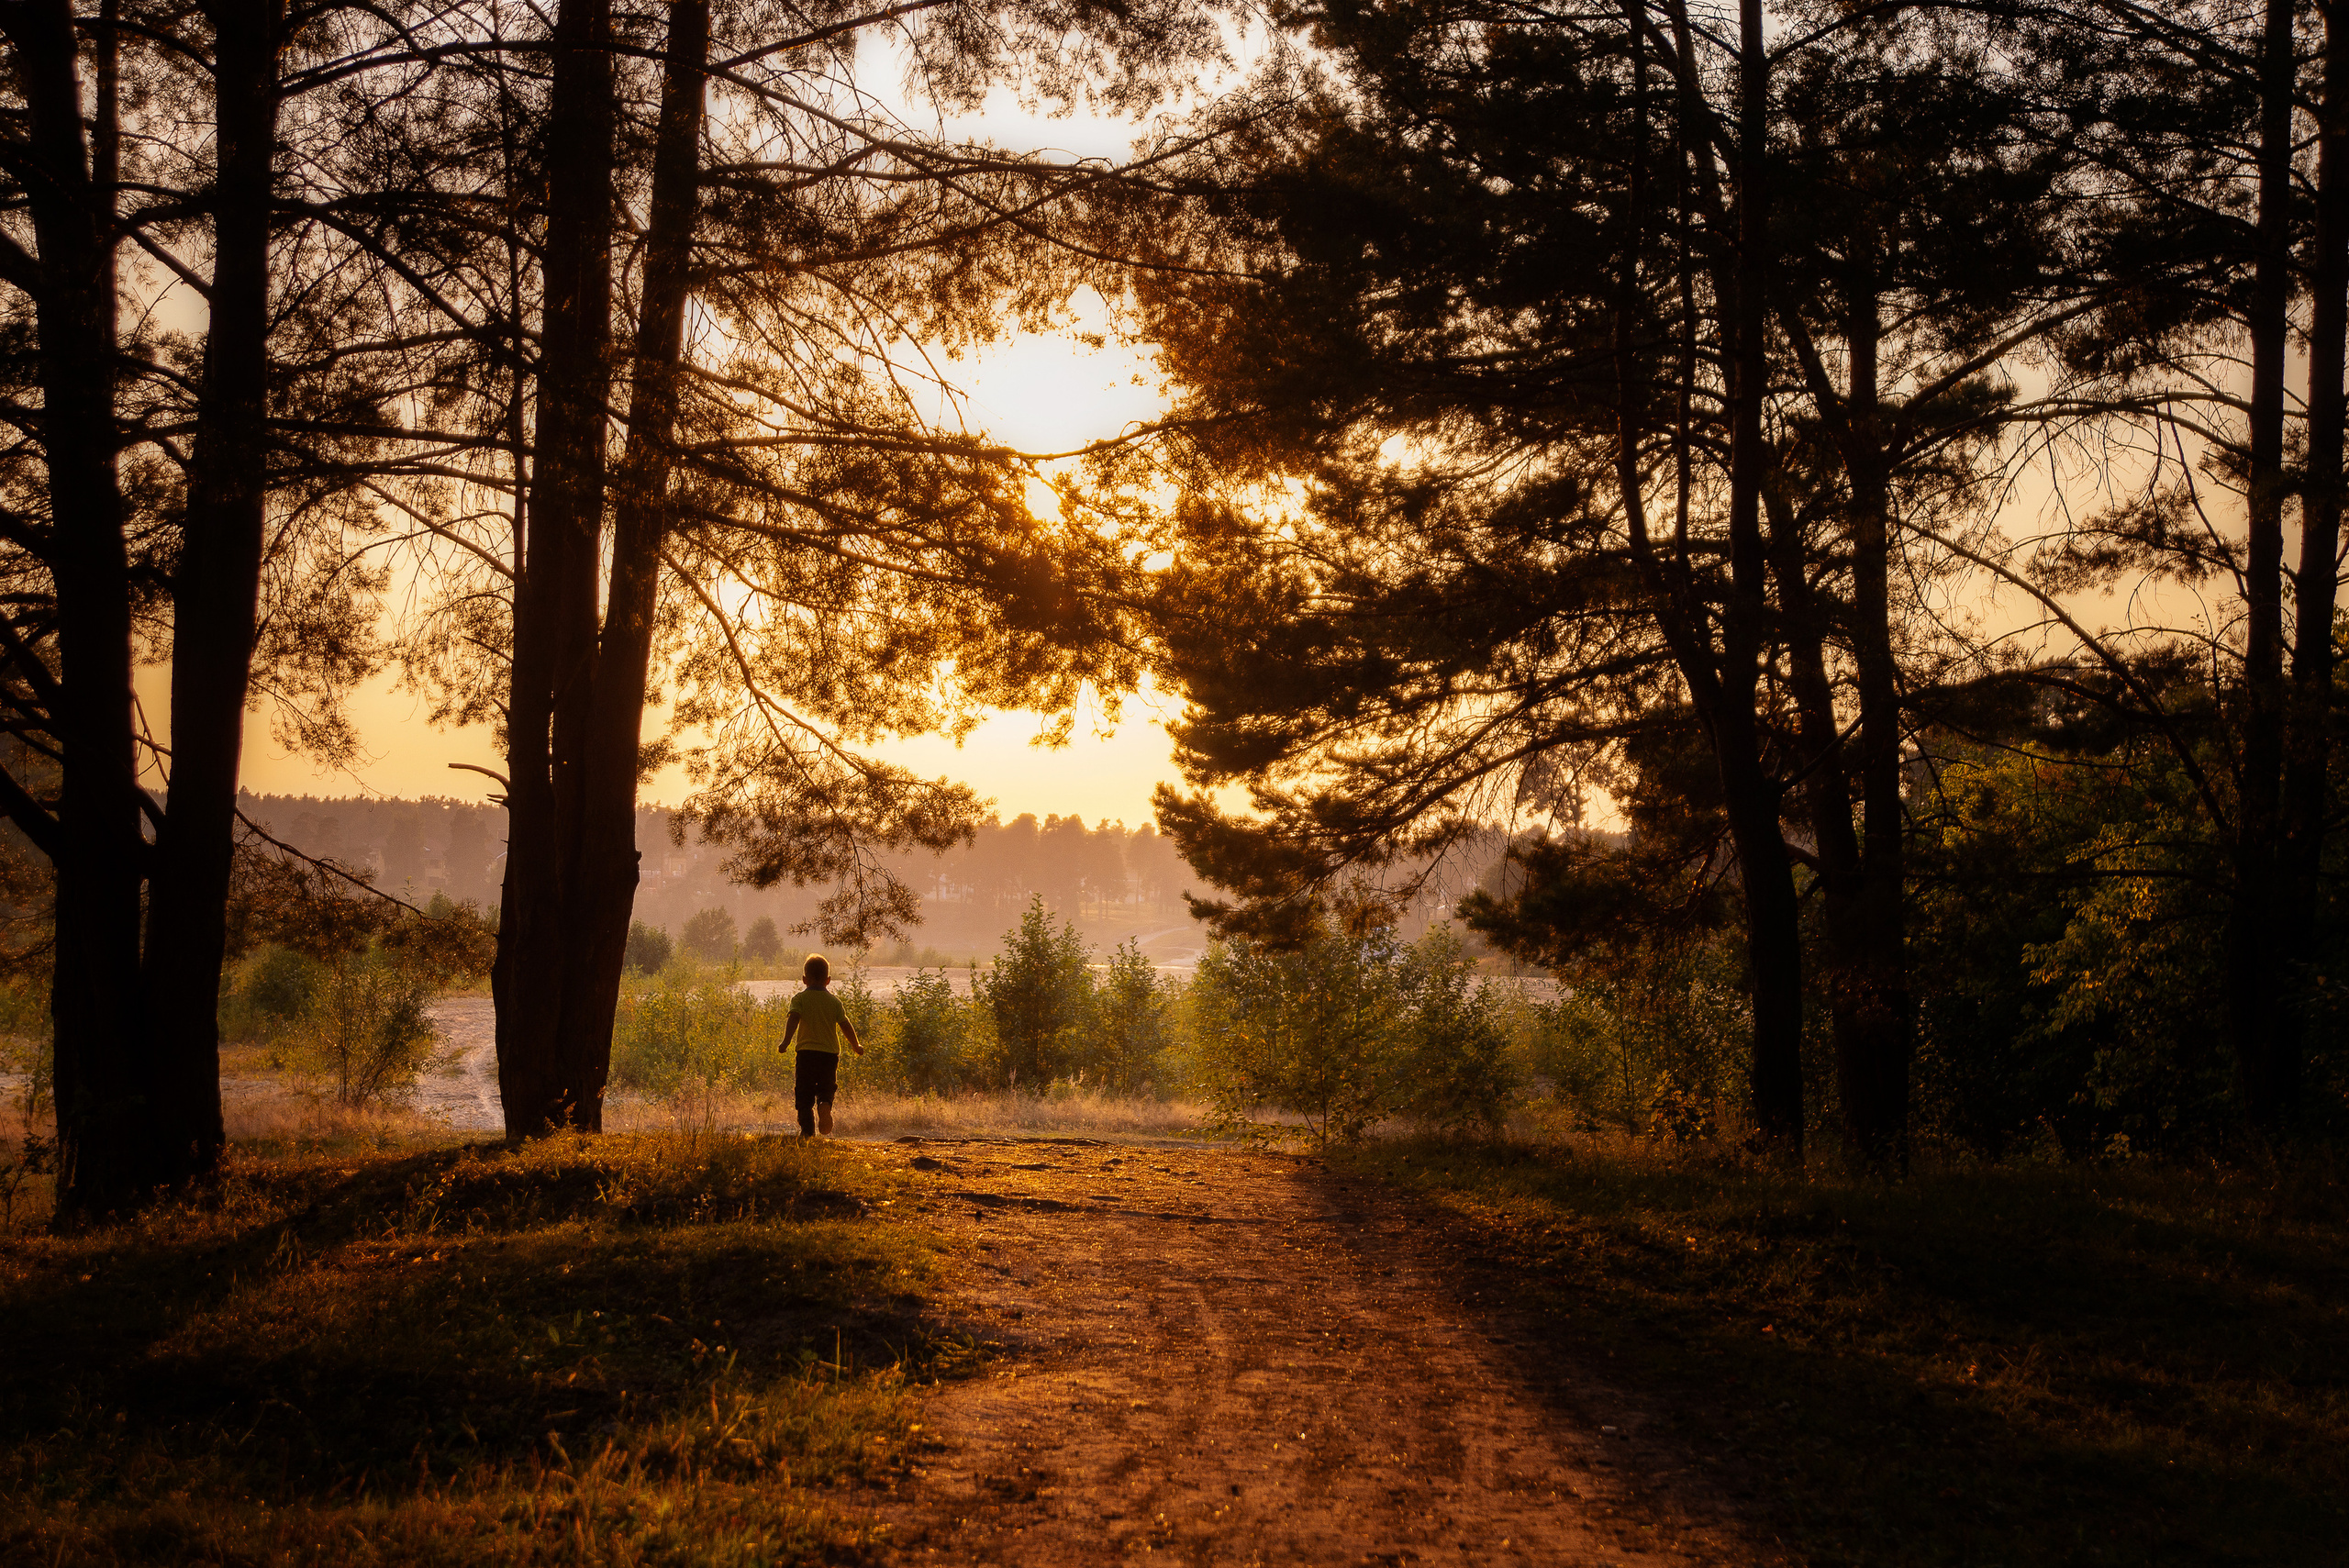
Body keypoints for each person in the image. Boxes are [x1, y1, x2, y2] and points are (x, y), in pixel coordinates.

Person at [780, 952, 861, 1137]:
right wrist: (856, 1045)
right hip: (829, 1055)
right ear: (828, 980)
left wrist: (786, 1042)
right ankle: (825, 1105)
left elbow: (793, 1019)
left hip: (806, 1053)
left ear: (804, 979)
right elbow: (845, 1025)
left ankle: (807, 1133)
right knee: (826, 1087)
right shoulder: (834, 1002)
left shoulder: (799, 999)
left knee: (804, 1094)